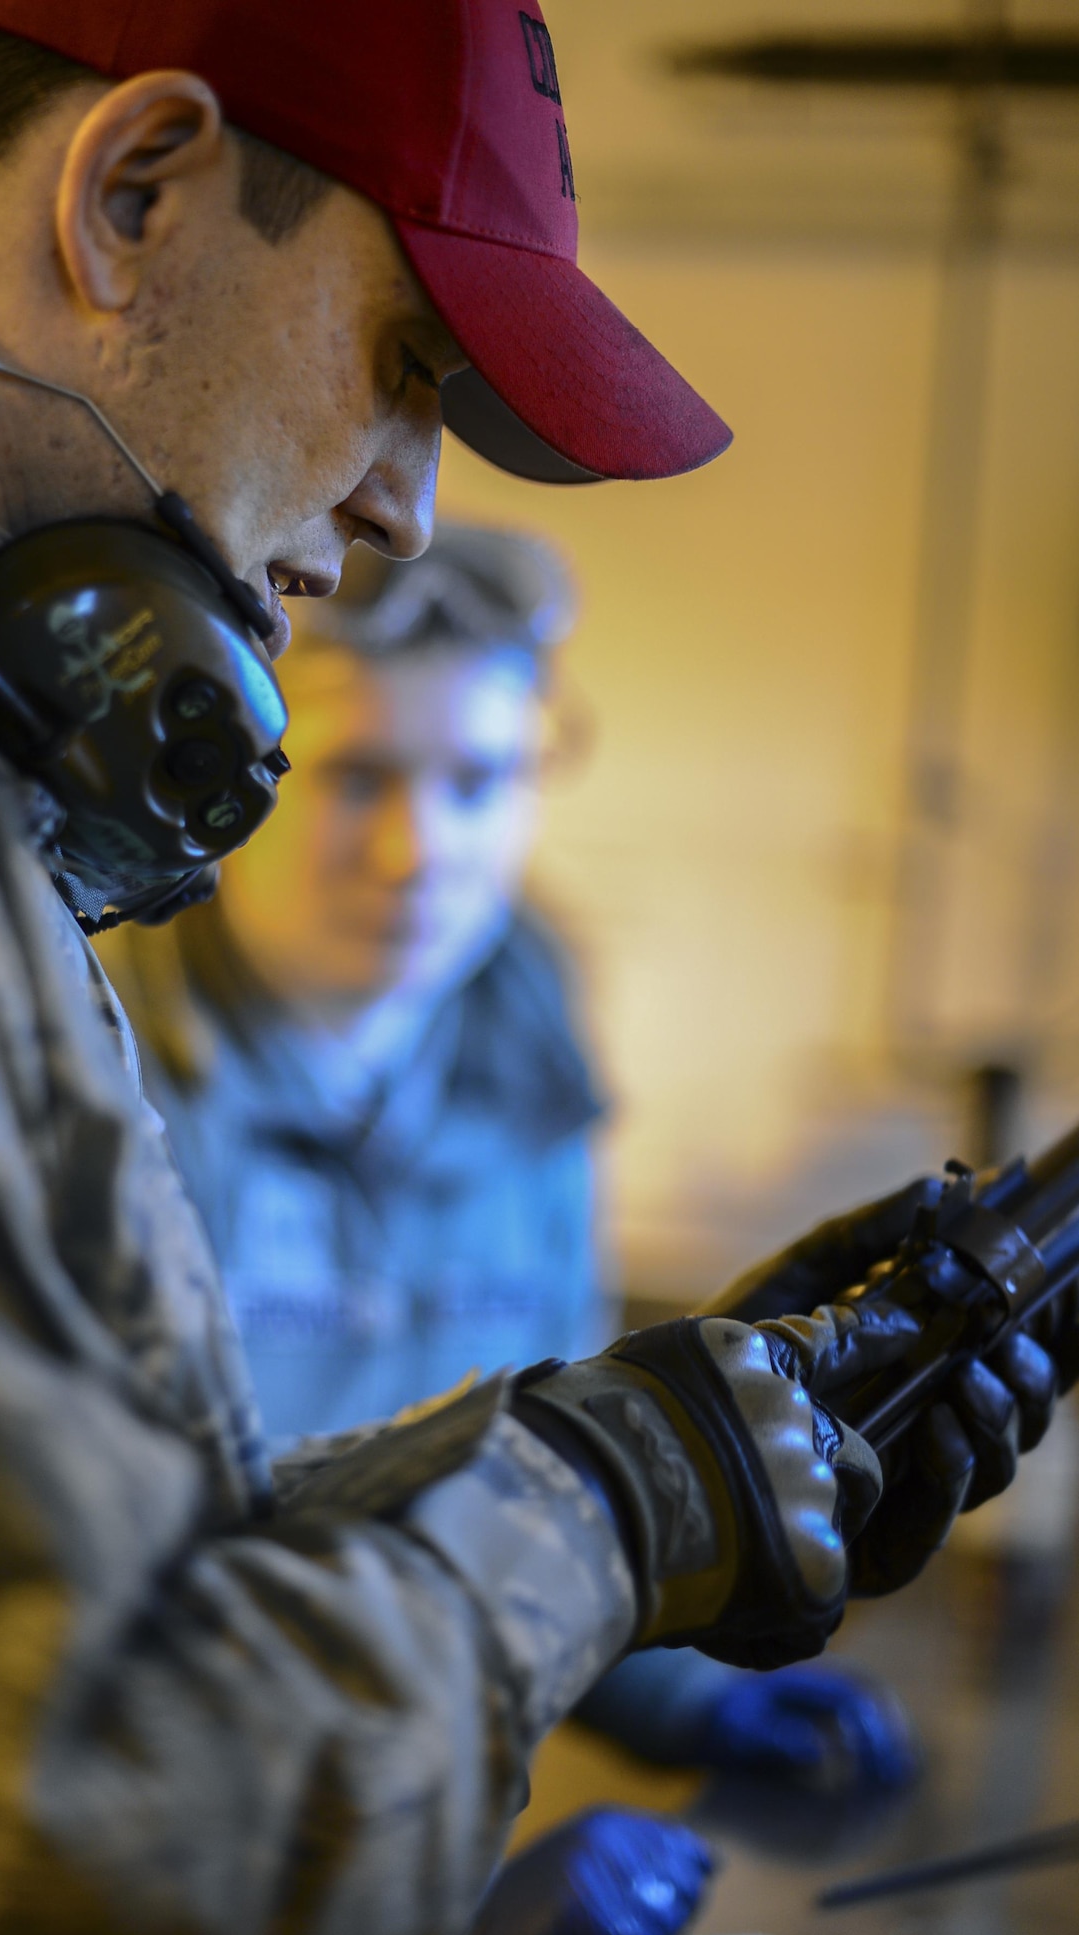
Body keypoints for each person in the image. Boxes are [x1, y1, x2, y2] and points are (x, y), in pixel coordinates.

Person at [0, 3, 1068, 1935]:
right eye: (403, 367)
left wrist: (665, 1419)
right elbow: (63, 1875)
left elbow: (54, 1591)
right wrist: (613, 1499)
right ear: (129, 196)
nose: (407, 505)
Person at [101, 522, 922, 1796]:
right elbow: (86, 1590)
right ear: (236, 777)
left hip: (427, 1772)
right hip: (174, 1795)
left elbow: (533, 1476)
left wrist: (677, 1688)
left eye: (480, 780)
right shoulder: (95, 1066)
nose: (419, 851)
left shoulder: (532, 1059)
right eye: (360, 776)